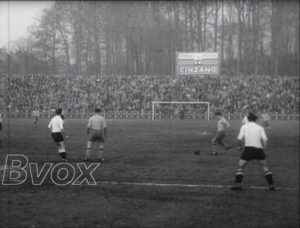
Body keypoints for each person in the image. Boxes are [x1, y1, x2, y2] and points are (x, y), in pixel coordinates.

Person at [230, 112, 275, 191]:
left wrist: (240, 147)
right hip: (259, 149)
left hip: (248, 149)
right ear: (256, 119)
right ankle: (271, 185)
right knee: (265, 167)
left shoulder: (244, 127)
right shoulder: (260, 127)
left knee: (241, 166)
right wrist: (264, 150)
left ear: (248, 119)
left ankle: (238, 185)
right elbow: (265, 140)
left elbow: (239, 139)